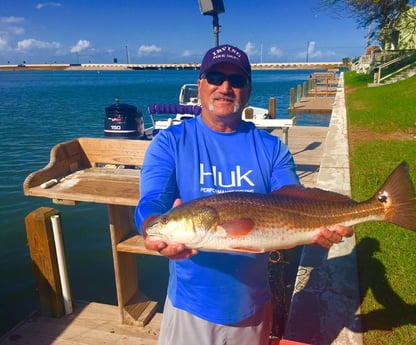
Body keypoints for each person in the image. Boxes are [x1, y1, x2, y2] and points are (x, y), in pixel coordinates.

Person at [135, 44, 353, 345]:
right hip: (189, 307)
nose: (225, 87)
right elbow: (152, 201)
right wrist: (151, 227)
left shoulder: (272, 148)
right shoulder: (169, 142)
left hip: (252, 308)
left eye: (236, 81)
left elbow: (292, 200)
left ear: (248, 91)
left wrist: (326, 220)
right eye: (215, 77)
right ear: (200, 84)